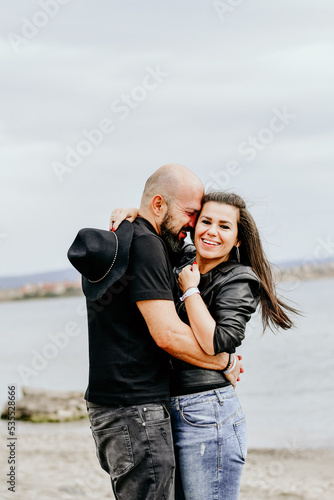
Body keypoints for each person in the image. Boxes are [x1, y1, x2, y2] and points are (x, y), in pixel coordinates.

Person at [67, 164, 242, 500]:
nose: (193, 225)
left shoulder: (132, 236)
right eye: (191, 213)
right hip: (135, 411)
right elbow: (168, 334)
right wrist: (223, 361)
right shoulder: (147, 245)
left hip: (118, 409)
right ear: (159, 205)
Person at [111, 191, 297, 500]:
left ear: (238, 239)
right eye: (206, 221)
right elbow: (160, 230)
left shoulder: (239, 279)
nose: (212, 231)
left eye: (225, 226)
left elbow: (217, 341)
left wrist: (191, 292)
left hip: (208, 411)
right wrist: (137, 213)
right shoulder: (184, 260)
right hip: (168, 407)